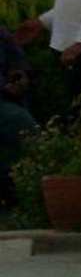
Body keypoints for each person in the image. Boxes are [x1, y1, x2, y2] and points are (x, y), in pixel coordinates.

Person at [0, 26, 38, 207]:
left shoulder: (2, 34)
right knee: (16, 120)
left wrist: (20, 76)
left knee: (21, 123)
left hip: (6, 100)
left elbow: (19, 63)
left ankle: (21, 195)